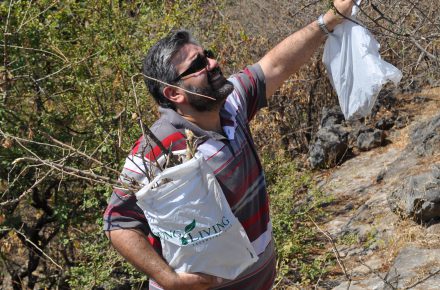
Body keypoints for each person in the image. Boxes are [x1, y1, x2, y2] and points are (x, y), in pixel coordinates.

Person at [104, 1, 353, 289]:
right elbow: (117, 222)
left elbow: (276, 64)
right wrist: (168, 279)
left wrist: (330, 19)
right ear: (174, 93)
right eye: (198, 65)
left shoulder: (232, 103)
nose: (212, 63)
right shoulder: (158, 147)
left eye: (207, 55)